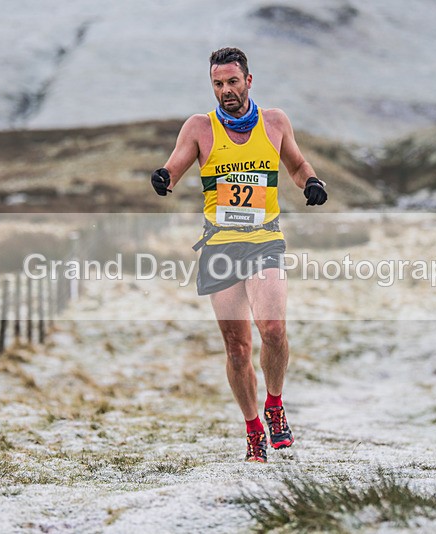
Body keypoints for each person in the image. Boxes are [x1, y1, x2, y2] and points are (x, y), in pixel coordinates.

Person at [150, 47, 328, 463]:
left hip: (265, 238)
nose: (226, 90)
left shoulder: (275, 122)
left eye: (232, 82)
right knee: (236, 349)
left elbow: (298, 164)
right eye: (218, 84)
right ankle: (253, 431)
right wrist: (164, 178)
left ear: (249, 80)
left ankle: (276, 405)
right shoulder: (199, 128)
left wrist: (311, 182)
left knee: (273, 329)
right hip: (220, 245)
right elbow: (174, 166)